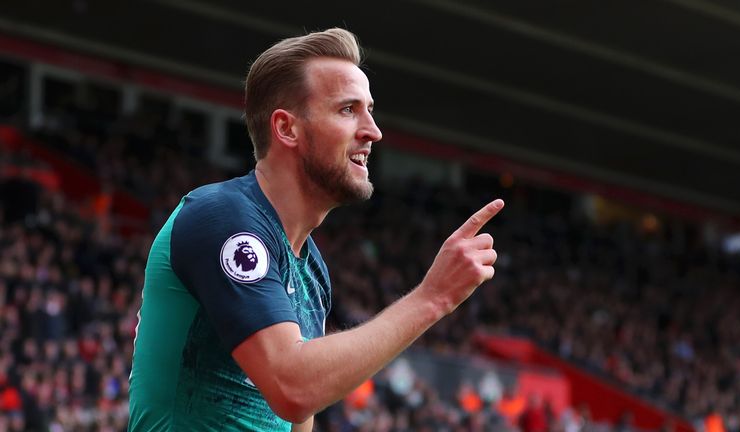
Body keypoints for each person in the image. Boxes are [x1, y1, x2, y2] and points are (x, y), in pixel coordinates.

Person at [128, 27, 504, 431]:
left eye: (370, 110)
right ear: (287, 128)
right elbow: (292, 387)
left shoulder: (312, 271)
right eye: (348, 110)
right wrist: (433, 298)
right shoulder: (221, 218)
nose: (373, 131)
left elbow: (298, 417)